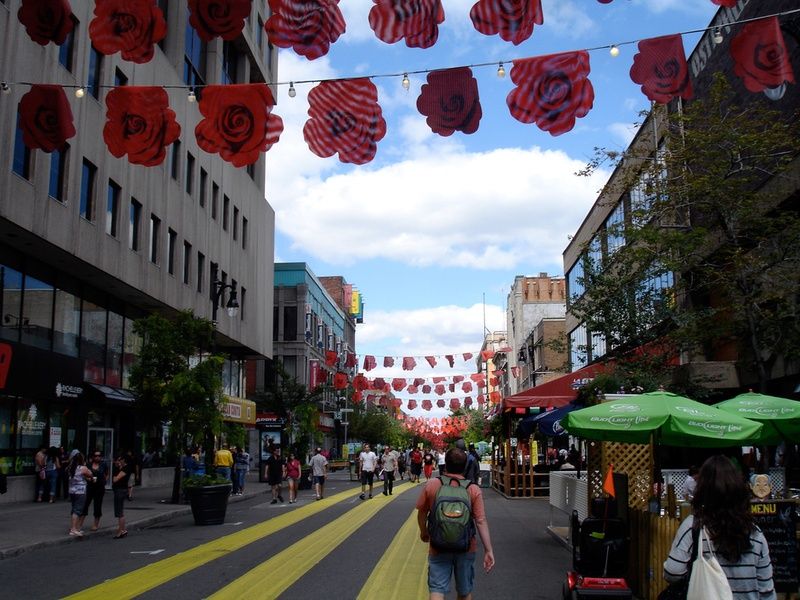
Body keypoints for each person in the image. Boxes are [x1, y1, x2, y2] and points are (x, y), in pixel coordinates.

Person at [663, 455, 776, 599]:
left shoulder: (694, 527)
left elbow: (673, 572)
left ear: (702, 489)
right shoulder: (755, 533)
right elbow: (766, 591)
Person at [416, 447, 495, 600]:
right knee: (464, 591)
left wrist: (424, 532)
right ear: (465, 466)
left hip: (438, 545)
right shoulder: (473, 489)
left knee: (437, 589)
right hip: (465, 547)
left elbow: (421, 513)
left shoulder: (432, 484)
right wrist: (488, 549)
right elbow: (480, 520)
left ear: (445, 464)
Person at [67, 451, 93, 537]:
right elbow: (90, 474)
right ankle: (74, 529)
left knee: (74, 508)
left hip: (72, 490)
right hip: (80, 491)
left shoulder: (70, 467)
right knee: (78, 510)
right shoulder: (82, 468)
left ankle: (73, 527)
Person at [81, 450, 107, 531]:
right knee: (85, 505)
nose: (97, 457)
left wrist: (104, 481)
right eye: (95, 456)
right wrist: (88, 479)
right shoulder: (88, 465)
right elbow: (84, 474)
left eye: (99, 456)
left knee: (97, 505)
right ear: (93, 457)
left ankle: (95, 524)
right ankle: (80, 524)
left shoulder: (103, 465)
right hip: (90, 487)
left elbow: (107, 474)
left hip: (99, 488)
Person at [111, 454, 131, 539]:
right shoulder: (122, 468)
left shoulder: (125, 469)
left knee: (119, 512)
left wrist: (115, 471)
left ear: (124, 460)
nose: (119, 461)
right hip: (120, 490)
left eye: (120, 460)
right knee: (119, 511)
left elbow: (115, 479)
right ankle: (123, 530)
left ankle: (121, 531)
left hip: (120, 490)